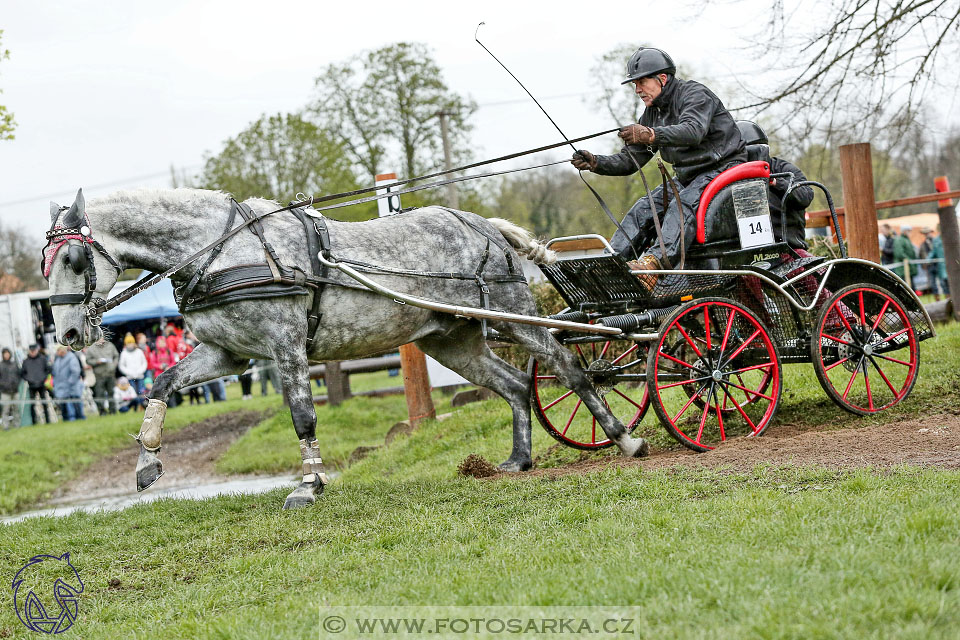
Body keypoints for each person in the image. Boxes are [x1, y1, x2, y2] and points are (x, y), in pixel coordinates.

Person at [571, 47, 746, 281]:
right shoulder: (652, 113)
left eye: (642, 82)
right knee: (644, 208)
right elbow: (630, 161)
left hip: (725, 170)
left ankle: (653, 264)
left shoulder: (695, 94)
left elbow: (693, 131)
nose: (637, 90)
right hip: (690, 178)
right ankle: (610, 266)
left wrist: (651, 135)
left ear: (662, 78)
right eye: (635, 84)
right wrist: (596, 162)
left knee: (681, 205)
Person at [735, 121, 815, 249]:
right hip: (744, 250)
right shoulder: (730, 174)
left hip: (789, 248)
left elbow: (805, 196)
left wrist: (775, 182)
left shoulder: (784, 169)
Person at [85, 339, 119, 415]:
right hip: (99, 375)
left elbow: (116, 356)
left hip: (110, 373)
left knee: (111, 392)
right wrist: (96, 362)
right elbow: (88, 360)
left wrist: (113, 365)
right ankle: (102, 411)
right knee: (100, 394)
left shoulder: (110, 345)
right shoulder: (91, 348)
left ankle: (112, 411)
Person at [21, 344, 52, 425]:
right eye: (31, 351)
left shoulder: (42, 359)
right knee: (32, 404)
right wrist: (28, 379)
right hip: (31, 385)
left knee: (44, 402)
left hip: (42, 384)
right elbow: (22, 373)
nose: (33, 352)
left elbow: (48, 369)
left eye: (34, 351)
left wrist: (43, 378)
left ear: (37, 350)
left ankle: (47, 420)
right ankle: (34, 421)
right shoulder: (26, 361)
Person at [52, 345, 85, 421]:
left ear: (62, 350)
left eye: (57, 351)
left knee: (75, 403)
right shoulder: (58, 359)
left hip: (72, 386)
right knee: (63, 404)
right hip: (61, 387)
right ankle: (66, 419)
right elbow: (55, 372)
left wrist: (69, 382)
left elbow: (75, 372)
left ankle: (80, 418)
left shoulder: (71, 358)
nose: (56, 352)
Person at [0, 348, 22, 429]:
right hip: (5, 392)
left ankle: (17, 425)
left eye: (7, 353)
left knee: (16, 408)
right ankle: (6, 426)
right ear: (3, 355)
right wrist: (3, 385)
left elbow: (19, 375)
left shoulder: (14, 364)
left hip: (15, 391)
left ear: (10, 354)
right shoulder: (0, 365)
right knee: (5, 409)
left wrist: (17, 383)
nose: (6, 355)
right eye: (5, 353)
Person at [927, 225, 948, 300]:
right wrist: (928, 259)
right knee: (943, 283)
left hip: (951, 265)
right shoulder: (936, 240)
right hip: (941, 266)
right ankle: (948, 300)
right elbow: (933, 252)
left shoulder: (949, 238)